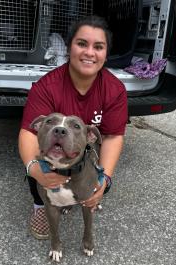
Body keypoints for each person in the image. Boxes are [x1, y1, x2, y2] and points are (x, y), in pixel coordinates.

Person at [18, 15, 128, 239]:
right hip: (51, 149)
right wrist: (34, 170)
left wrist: (104, 180)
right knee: (38, 163)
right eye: (81, 44)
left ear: (105, 54)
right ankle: (41, 205)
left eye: (98, 47)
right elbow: (29, 132)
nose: (89, 53)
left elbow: (112, 136)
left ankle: (86, 193)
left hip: (84, 148)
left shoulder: (114, 89)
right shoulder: (47, 87)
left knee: (96, 177)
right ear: (69, 48)